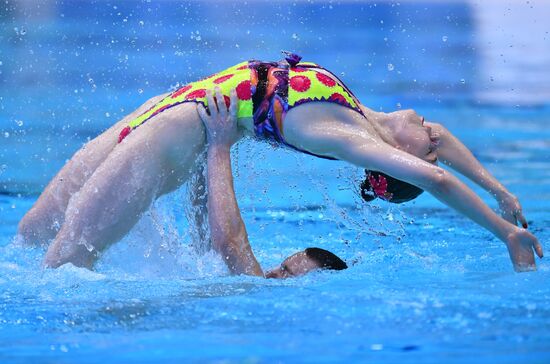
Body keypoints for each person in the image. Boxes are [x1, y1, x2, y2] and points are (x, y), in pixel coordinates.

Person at [17, 52, 542, 272]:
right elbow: (441, 146)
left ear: (395, 160)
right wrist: (500, 190)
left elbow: (431, 173)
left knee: (62, 270)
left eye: (425, 140)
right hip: (166, 105)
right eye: (432, 135)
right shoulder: (362, 114)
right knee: (32, 229)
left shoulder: (346, 136)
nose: (433, 130)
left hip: (173, 138)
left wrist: (504, 232)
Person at [200, 88, 347, 277]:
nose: (270, 273)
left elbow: (230, 245)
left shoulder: (258, 289)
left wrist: (219, 145)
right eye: (281, 267)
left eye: (287, 274)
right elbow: (208, 237)